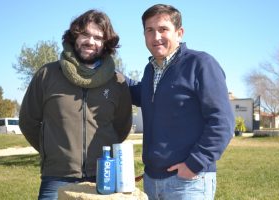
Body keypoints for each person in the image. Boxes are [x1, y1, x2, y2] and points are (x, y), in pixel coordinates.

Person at [19, 9, 132, 200]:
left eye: (98, 37)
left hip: (103, 178)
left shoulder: (117, 81)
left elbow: (122, 126)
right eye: (85, 34)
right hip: (56, 178)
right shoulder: (47, 74)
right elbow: (28, 121)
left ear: (106, 44)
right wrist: (53, 151)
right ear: (74, 36)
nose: (91, 41)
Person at [128, 4, 235, 200]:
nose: (156, 36)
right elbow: (140, 93)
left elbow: (223, 122)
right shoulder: (150, 70)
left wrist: (194, 164)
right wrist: (108, 72)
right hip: (151, 181)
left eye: (163, 29)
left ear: (179, 33)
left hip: (188, 182)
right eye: (149, 30)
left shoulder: (200, 63)